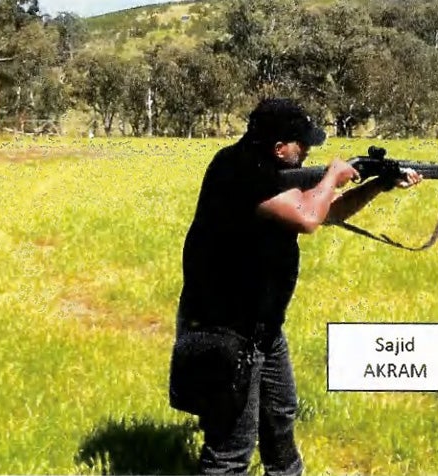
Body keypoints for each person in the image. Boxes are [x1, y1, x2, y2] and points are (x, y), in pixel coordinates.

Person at [168, 97, 422, 475]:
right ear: (278, 146)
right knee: (230, 451)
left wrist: (376, 186)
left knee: (280, 421)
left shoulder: (270, 169)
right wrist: (333, 176)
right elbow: (308, 218)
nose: (306, 152)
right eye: (301, 145)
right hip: (225, 330)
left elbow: (329, 211)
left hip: (262, 327)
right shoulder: (239, 172)